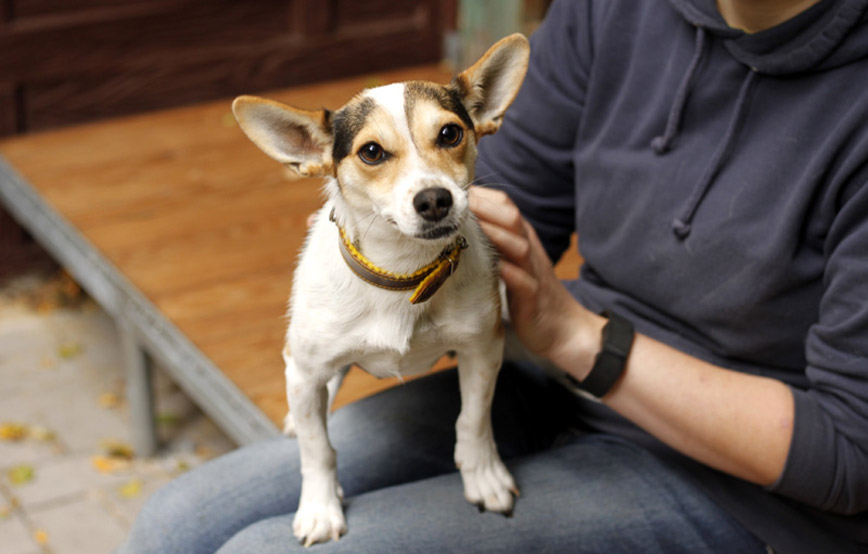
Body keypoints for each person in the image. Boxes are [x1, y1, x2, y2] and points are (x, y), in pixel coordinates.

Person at [116, 0, 868, 552]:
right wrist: (371, 262)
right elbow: (497, 199)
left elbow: (851, 456)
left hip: (742, 489)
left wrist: (578, 339)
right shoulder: (615, 13)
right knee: (172, 526)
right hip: (552, 386)